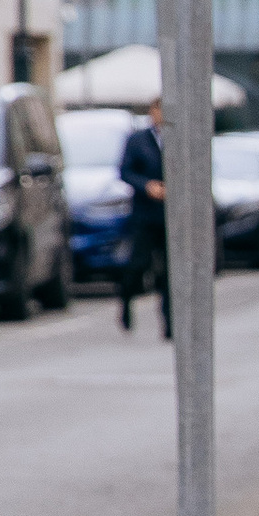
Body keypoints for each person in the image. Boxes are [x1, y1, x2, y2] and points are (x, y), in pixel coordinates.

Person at [115, 104, 171, 340]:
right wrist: (147, 186)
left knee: (169, 272)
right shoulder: (138, 140)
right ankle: (126, 300)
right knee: (138, 264)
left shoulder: (179, 139)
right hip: (145, 214)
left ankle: (170, 323)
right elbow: (125, 171)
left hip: (170, 217)